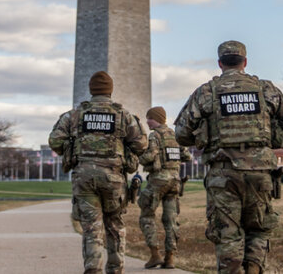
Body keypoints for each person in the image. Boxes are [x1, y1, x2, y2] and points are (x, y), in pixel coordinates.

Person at [174, 40, 283, 274]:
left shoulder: (207, 91)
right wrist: (271, 139)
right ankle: (253, 268)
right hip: (259, 172)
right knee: (258, 229)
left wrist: (204, 138)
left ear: (220, 63)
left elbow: (181, 133)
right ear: (245, 62)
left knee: (228, 233)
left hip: (224, 173)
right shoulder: (265, 89)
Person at [49, 70, 148, 274]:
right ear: (110, 91)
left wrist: (72, 146)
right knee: (115, 225)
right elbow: (141, 144)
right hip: (113, 177)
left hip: (84, 177)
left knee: (91, 227)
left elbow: (55, 141)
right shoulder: (123, 115)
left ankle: (93, 268)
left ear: (91, 90)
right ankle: (116, 268)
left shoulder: (74, 114)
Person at [138, 105, 190, 269]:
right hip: (174, 181)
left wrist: (139, 157)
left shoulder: (155, 135)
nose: (147, 122)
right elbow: (187, 155)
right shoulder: (174, 135)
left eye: (149, 118)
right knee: (171, 220)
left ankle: (155, 255)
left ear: (157, 119)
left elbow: (150, 155)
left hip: (158, 180)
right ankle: (170, 258)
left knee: (146, 215)